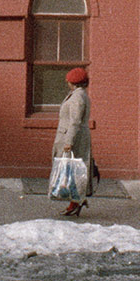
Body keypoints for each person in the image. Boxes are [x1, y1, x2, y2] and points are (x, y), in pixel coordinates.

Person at [52, 66, 95, 217]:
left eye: (69, 80)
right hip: (74, 136)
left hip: (73, 138)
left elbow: (75, 122)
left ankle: (76, 201)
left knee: (72, 170)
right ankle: (75, 202)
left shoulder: (77, 98)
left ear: (74, 82)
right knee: (74, 170)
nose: (66, 82)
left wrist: (68, 142)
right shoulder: (78, 94)